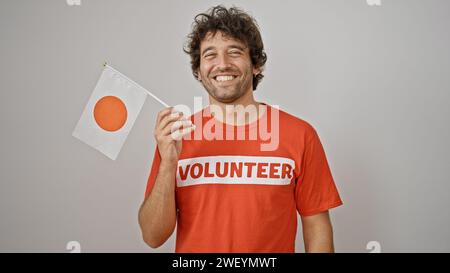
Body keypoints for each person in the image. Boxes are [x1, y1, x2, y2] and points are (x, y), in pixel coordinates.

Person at [138, 5, 343, 253]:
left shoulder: (300, 135)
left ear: (255, 65)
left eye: (234, 52)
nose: (222, 64)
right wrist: (168, 163)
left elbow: (316, 227)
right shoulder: (176, 138)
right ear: (199, 71)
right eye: (210, 55)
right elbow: (152, 236)